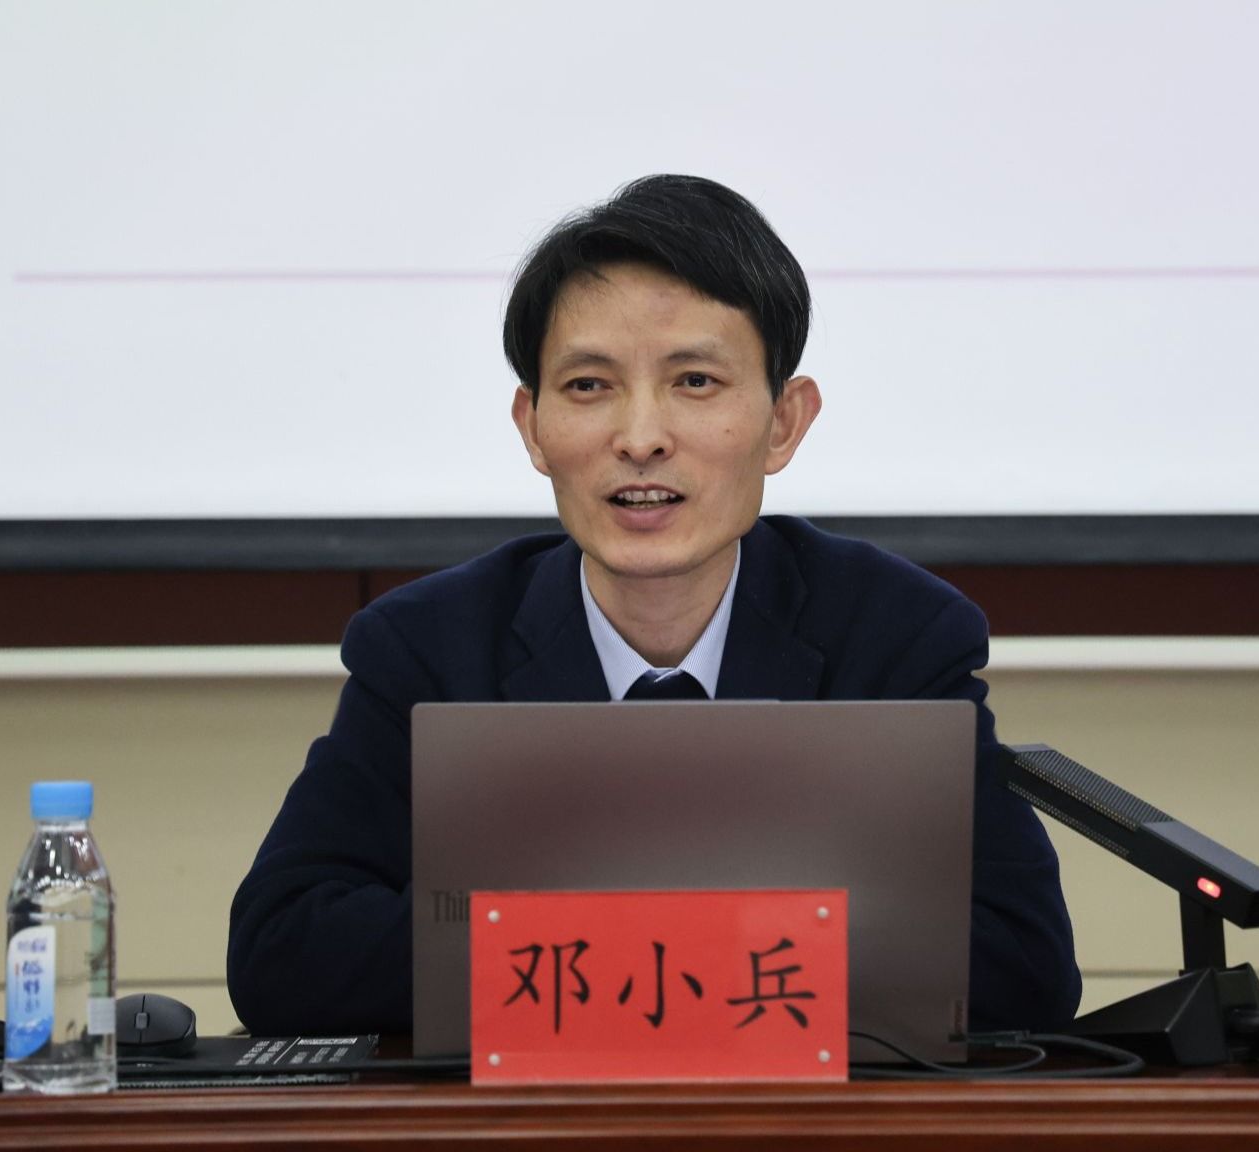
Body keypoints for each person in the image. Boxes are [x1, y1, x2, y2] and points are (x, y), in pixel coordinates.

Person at [227, 175, 1080, 1036]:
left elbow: (1021, 965)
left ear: (785, 421)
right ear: (531, 426)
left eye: (695, 381)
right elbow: (284, 955)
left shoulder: (893, 636)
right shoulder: (427, 650)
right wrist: (729, 940)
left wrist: (562, 944)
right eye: (588, 386)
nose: (640, 438)